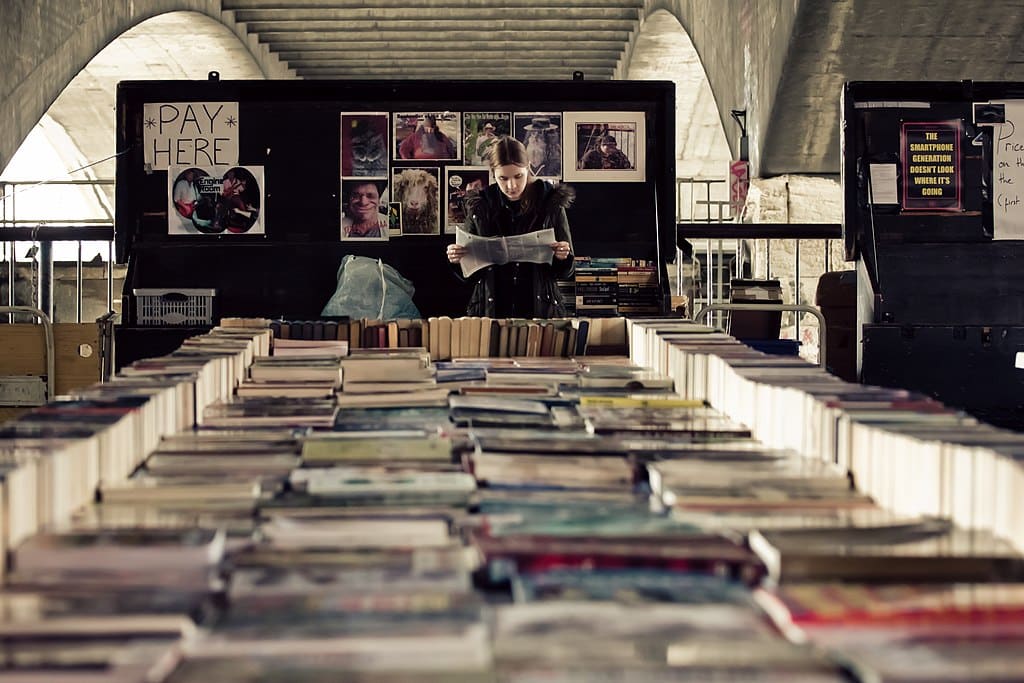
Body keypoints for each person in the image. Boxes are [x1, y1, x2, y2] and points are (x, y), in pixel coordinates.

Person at [446, 137, 574, 318]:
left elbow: (567, 271)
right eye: (503, 178)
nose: (511, 185)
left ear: (528, 167)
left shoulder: (550, 201)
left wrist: (562, 256)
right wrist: (457, 259)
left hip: (540, 310)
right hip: (491, 311)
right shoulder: (480, 205)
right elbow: (468, 276)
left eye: (518, 176)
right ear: (493, 174)